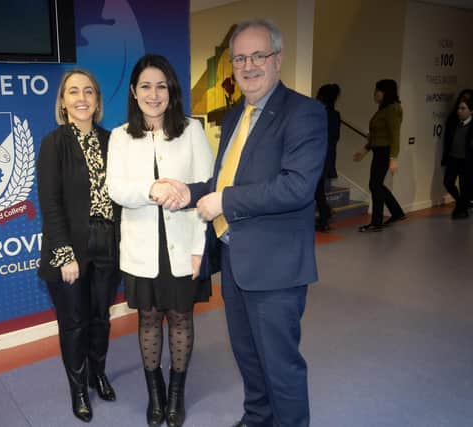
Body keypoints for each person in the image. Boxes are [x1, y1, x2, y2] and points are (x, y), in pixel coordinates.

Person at [166, 19, 326, 427]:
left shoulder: (304, 113)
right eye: (240, 58)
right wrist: (190, 192)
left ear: (278, 59)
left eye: (258, 56)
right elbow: (227, 180)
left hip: (276, 268)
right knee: (248, 356)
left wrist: (224, 200)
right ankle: (257, 418)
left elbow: (297, 187)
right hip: (236, 260)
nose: (249, 65)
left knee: (280, 365)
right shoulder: (238, 115)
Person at [106, 54, 213, 427]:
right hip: (141, 249)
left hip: (184, 245)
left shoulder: (191, 130)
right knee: (149, 319)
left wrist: (201, 248)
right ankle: (155, 393)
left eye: (161, 86)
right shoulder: (120, 137)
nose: (154, 94)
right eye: (146, 86)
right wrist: (151, 188)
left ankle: (176, 393)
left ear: (172, 91)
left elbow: (207, 190)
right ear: (134, 92)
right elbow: (116, 189)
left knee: (181, 318)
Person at [37, 69, 121, 423]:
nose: (82, 98)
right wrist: (64, 254)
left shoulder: (114, 140)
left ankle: (97, 373)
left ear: (98, 101)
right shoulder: (53, 143)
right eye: (73, 92)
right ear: (63, 101)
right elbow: (50, 204)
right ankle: (78, 389)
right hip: (70, 246)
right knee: (74, 323)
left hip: (109, 242)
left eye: (89, 91)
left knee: (101, 318)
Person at [353, 79, 406, 232]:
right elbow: (377, 135)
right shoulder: (384, 109)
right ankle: (396, 212)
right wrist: (364, 150)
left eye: (378, 90)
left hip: (385, 152)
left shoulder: (392, 109)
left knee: (375, 185)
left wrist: (393, 158)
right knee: (377, 184)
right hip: (379, 150)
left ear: (386, 92)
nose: (375, 93)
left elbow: (394, 135)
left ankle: (376, 222)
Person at [314, 83, 341, 231]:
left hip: (318, 157)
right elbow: (335, 137)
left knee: (316, 190)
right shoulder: (335, 115)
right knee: (318, 189)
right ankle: (325, 214)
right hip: (328, 156)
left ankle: (325, 216)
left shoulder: (319, 114)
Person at [442, 95, 473, 219]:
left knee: (464, 186)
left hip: (467, 160)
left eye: (463, 108)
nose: (459, 111)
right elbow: (447, 140)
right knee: (448, 182)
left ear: (471, 111)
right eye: (459, 108)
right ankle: (461, 203)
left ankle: (462, 208)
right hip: (453, 158)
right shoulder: (453, 122)